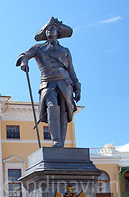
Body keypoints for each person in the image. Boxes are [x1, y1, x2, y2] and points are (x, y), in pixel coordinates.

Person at [16, 17, 81, 148]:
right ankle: (56, 140)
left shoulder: (65, 51)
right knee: (52, 106)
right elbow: (24, 55)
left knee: (64, 112)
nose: (49, 31)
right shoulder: (38, 48)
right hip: (48, 83)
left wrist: (77, 87)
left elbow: (71, 70)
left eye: (52, 28)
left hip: (65, 83)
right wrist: (24, 62)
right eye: (47, 29)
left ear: (58, 32)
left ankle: (61, 144)